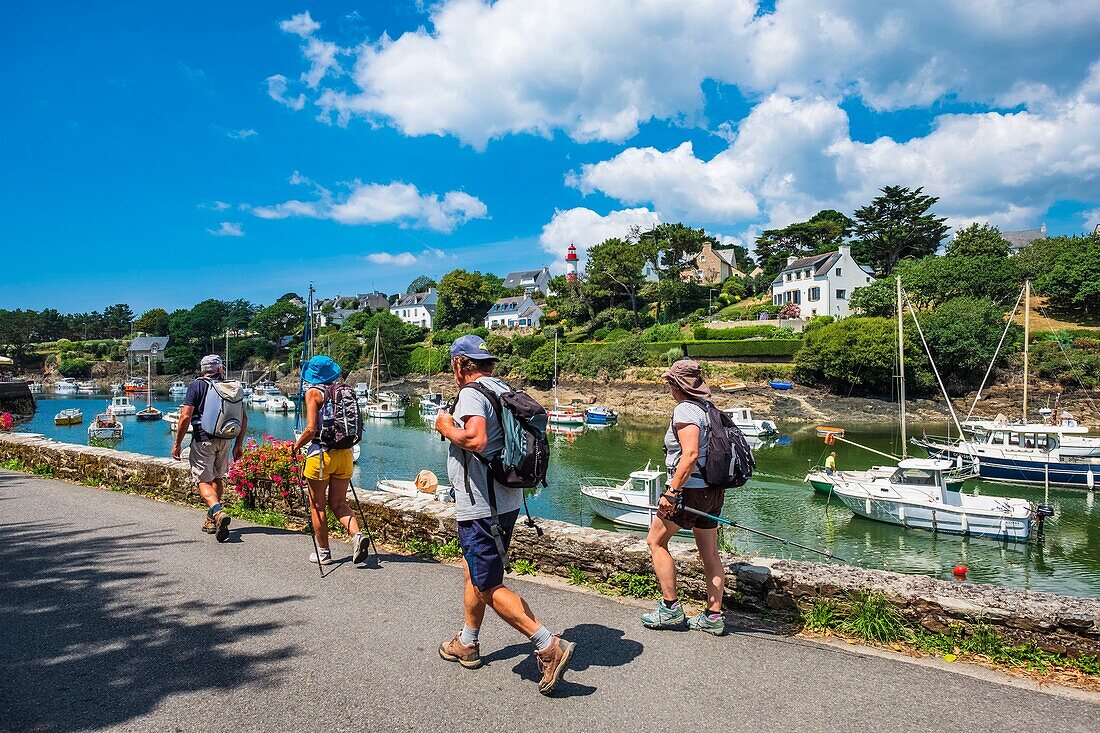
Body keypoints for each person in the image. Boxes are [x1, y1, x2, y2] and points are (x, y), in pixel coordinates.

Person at [433, 335, 575, 696]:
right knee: (474, 570)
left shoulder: (471, 393)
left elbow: (476, 440)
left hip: (482, 505)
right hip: (506, 499)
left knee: (486, 584)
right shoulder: (501, 386)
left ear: (460, 364)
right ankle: (467, 642)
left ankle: (547, 644)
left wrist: (445, 426)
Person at [642, 359, 726, 636]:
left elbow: (689, 455)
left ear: (677, 384)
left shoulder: (685, 409)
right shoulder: (708, 408)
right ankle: (713, 617)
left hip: (689, 491)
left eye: (669, 382)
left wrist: (672, 492)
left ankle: (670, 610)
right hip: (712, 491)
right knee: (710, 553)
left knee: (655, 541)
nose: (668, 387)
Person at [291, 355, 368, 566]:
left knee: (317, 506)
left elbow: (310, 429)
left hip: (321, 455)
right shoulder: (343, 391)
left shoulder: (313, 392)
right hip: (345, 453)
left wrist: (295, 446)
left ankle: (323, 553)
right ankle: (356, 536)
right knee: (339, 503)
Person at [172, 355, 246, 542]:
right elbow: (243, 418)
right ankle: (211, 520)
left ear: (202, 369)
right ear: (220, 368)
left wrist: (177, 443)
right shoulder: (230, 387)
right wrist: (238, 444)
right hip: (225, 439)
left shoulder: (196, 386)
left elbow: (185, 417)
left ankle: (218, 512)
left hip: (203, 440)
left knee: (203, 481)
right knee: (217, 478)